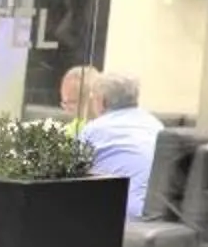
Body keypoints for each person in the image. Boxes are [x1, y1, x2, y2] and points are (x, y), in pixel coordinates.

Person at [70, 69, 164, 219]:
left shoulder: (94, 129)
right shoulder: (157, 126)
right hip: (155, 216)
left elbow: (70, 177)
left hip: (118, 216)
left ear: (101, 101)